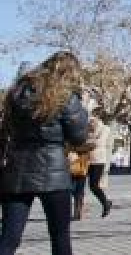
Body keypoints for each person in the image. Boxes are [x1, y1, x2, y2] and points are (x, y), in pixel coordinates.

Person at [0, 50, 90, 255]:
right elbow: (79, 137)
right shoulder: (66, 97)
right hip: (53, 172)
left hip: (17, 170)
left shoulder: (18, 92)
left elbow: (6, 129)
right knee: (59, 238)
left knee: (8, 238)